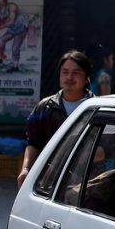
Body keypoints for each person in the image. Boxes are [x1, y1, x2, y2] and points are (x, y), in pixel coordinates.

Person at [17, 50, 93, 188]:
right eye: (65, 72)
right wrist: (26, 169)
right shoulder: (44, 108)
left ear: (87, 77)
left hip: (87, 182)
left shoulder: (96, 108)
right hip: (50, 181)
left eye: (76, 73)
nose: (69, 77)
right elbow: (33, 143)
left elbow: (108, 148)